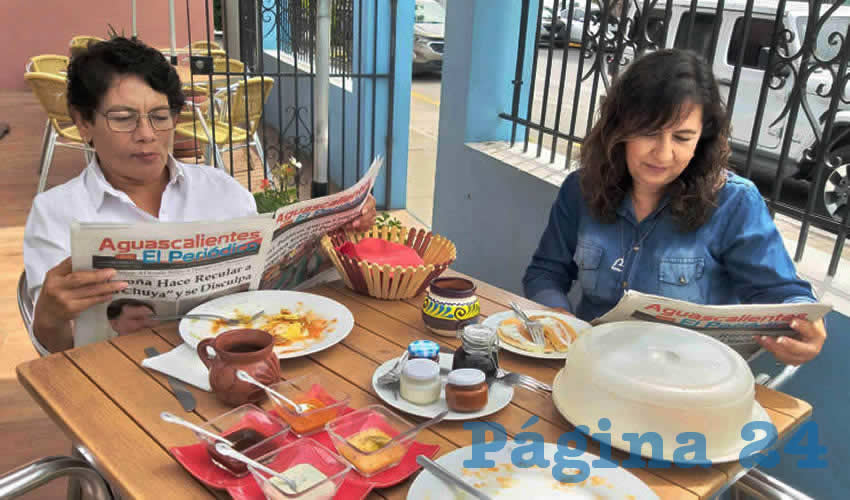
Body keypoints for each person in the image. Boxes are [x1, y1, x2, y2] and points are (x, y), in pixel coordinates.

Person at [23, 37, 376, 355]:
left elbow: (269, 293)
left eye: (160, 116)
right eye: (123, 118)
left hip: (229, 367)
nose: (146, 134)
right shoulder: (57, 212)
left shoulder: (222, 191)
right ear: (84, 122)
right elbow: (58, 351)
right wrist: (50, 318)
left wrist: (336, 239)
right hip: (120, 384)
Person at [522, 49, 825, 366]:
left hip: (688, 384)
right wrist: (557, 316)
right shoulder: (581, 188)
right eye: (649, 132)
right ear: (619, 128)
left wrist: (806, 326)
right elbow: (546, 272)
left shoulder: (734, 203)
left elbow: (782, 293)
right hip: (593, 367)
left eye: (682, 138)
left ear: (702, 139)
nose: (663, 154)